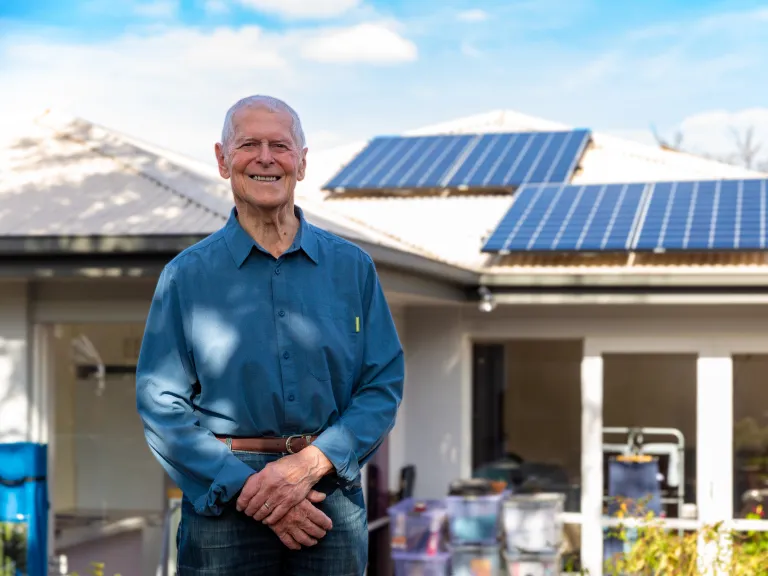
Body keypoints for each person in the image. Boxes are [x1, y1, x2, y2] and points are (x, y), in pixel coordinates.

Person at [135, 95, 405, 575]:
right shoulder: (186, 277)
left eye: (280, 145)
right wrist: (247, 489)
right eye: (248, 144)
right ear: (223, 159)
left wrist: (309, 465)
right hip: (221, 501)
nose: (265, 158)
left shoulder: (352, 269)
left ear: (301, 163)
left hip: (328, 492)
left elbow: (381, 387)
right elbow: (161, 403)